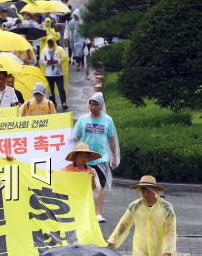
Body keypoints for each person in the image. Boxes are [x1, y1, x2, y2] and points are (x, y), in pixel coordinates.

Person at [73, 92, 120, 223]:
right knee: (85, 186)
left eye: (96, 104)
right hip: (84, 158)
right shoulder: (83, 120)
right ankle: (84, 211)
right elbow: (75, 135)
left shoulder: (108, 120)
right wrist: (71, 138)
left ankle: (98, 213)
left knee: (100, 185)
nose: (93, 107)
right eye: (91, 104)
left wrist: (114, 157)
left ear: (101, 106)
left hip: (101, 159)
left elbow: (111, 140)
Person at [107, 175, 176, 255]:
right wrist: (113, 241)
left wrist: (168, 251)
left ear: (154, 191)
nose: (145, 194)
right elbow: (123, 224)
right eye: (143, 190)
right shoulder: (135, 206)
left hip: (158, 249)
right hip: (140, 249)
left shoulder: (167, 208)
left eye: (148, 191)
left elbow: (170, 231)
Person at [40, 37, 68, 110]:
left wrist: (57, 61)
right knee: (50, 90)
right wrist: (47, 62)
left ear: (54, 42)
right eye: (49, 42)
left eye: (51, 42)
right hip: (49, 74)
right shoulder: (45, 50)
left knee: (61, 89)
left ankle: (63, 103)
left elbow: (64, 58)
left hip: (58, 73)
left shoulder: (60, 49)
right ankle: (53, 104)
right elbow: (41, 61)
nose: (50, 43)